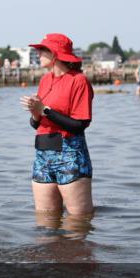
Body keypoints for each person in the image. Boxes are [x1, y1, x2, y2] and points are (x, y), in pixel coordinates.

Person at [20, 34, 94, 219]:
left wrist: (44, 110)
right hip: (42, 155)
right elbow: (35, 124)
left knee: (78, 222)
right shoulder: (45, 80)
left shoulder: (78, 80)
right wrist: (35, 113)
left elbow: (80, 125)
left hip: (70, 155)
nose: (38, 53)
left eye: (43, 49)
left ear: (56, 53)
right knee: (45, 222)